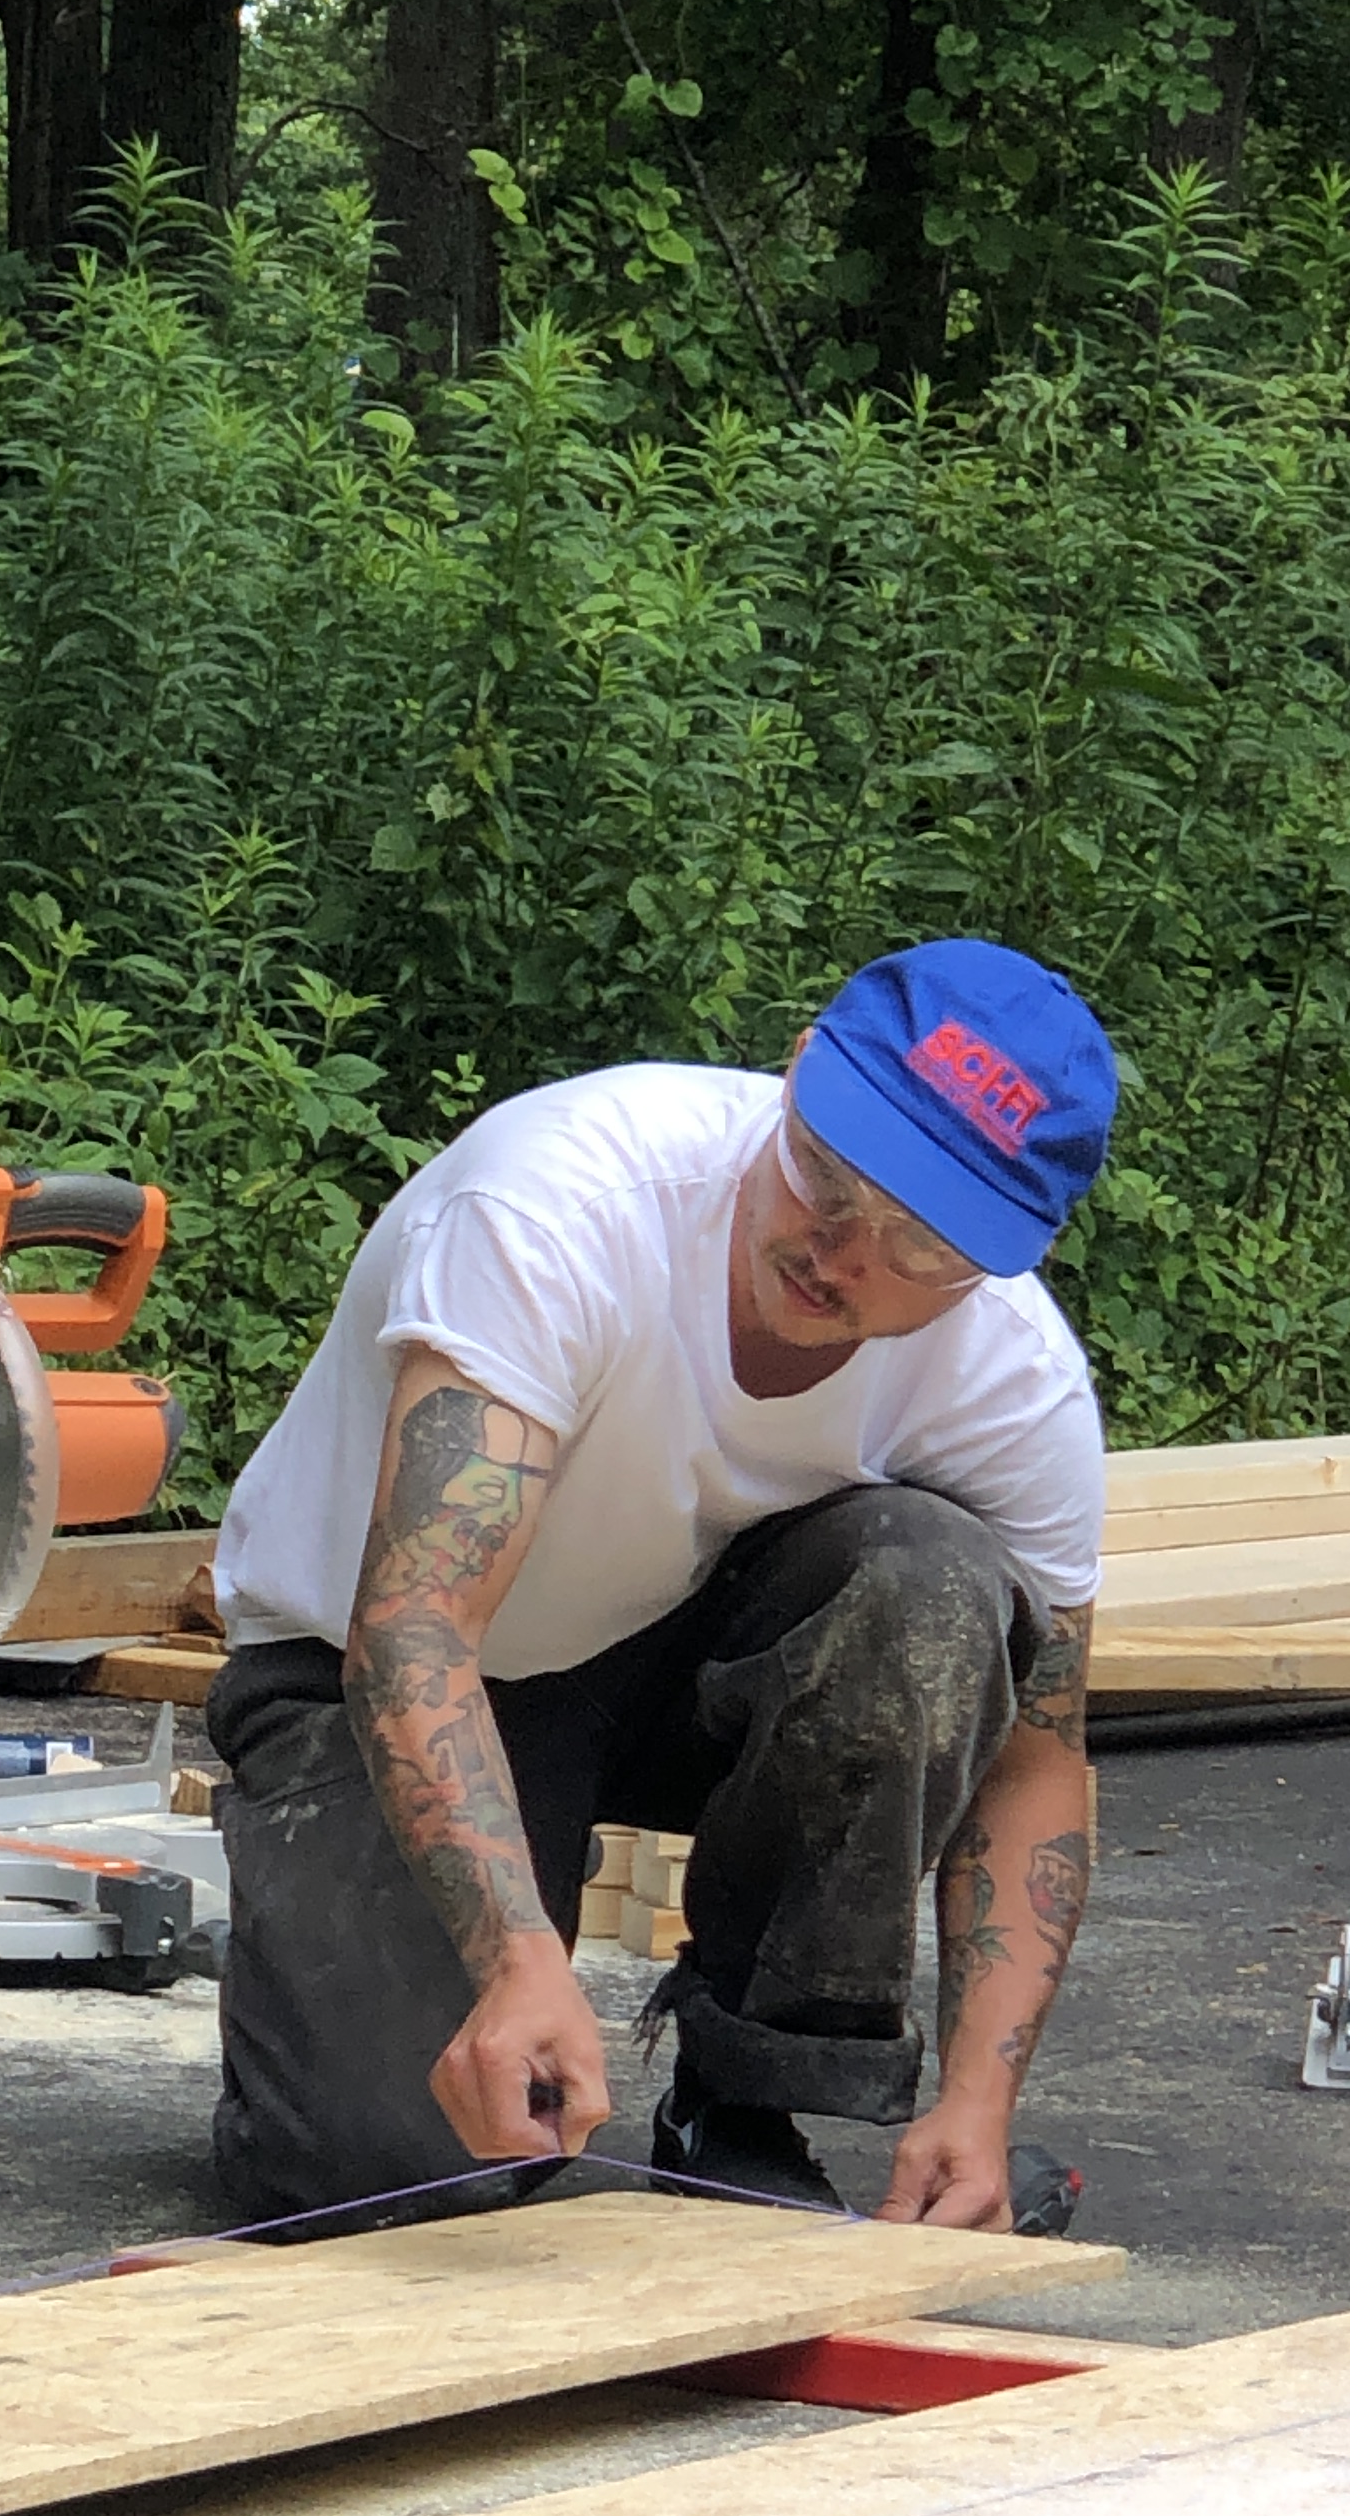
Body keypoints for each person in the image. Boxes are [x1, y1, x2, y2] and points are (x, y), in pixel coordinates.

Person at [202, 938, 1116, 2233]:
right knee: (393, 2183)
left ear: (997, 1261)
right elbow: (412, 1630)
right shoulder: (559, 1207)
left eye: (909, 1237)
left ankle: (742, 2103)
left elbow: (1037, 1760)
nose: (834, 1247)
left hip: (653, 1663)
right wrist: (518, 1961)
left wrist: (976, 2107)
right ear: (798, 1070)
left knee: (929, 1586)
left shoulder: (1015, 1385)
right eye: (825, 1170)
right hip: (368, 1675)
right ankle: (419, 2023)